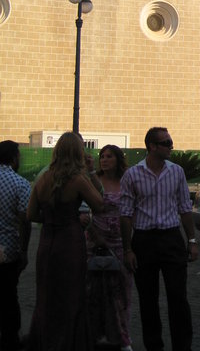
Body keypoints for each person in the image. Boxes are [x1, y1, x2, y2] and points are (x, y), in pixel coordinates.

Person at [120, 127, 198, 351]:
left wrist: (192, 240)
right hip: (144, 240)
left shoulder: (177, 172)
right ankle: (154, 346)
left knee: (178, 298)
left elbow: (185, 208)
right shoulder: (133, 175)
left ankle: (183, 347)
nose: (171, 145)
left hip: (171, 237)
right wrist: (128, 250)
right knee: (148, 300)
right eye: (166, 142)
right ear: (152, 146)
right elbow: (125, 215)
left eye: (171, 141)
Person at [26, 131, 104, 350]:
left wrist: (51, 219)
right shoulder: (79, 180)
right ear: (78, 152)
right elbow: (100, 204)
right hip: (69, 242)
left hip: (46, 243)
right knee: (71, 296)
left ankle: (44, 341)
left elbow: (30, 214)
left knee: (46, 296)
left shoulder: (43, 179)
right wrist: (92, 173)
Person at [86, 145, 133, 351]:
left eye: (109, 157)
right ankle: (94, 334)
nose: (104, 160)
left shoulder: (127, 181)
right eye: (102, 157)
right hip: (96, 241)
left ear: (118, 159)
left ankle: (122, 335)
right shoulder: (93, 180)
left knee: (121, 291)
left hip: (121, 241)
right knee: (94, 290)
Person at [0, 140, 31, 351]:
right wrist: (24, 250)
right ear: (13, 158)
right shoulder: (20, 183)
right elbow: (25, 220)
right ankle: (10, 340)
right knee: (9, 296)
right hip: (8, 251)